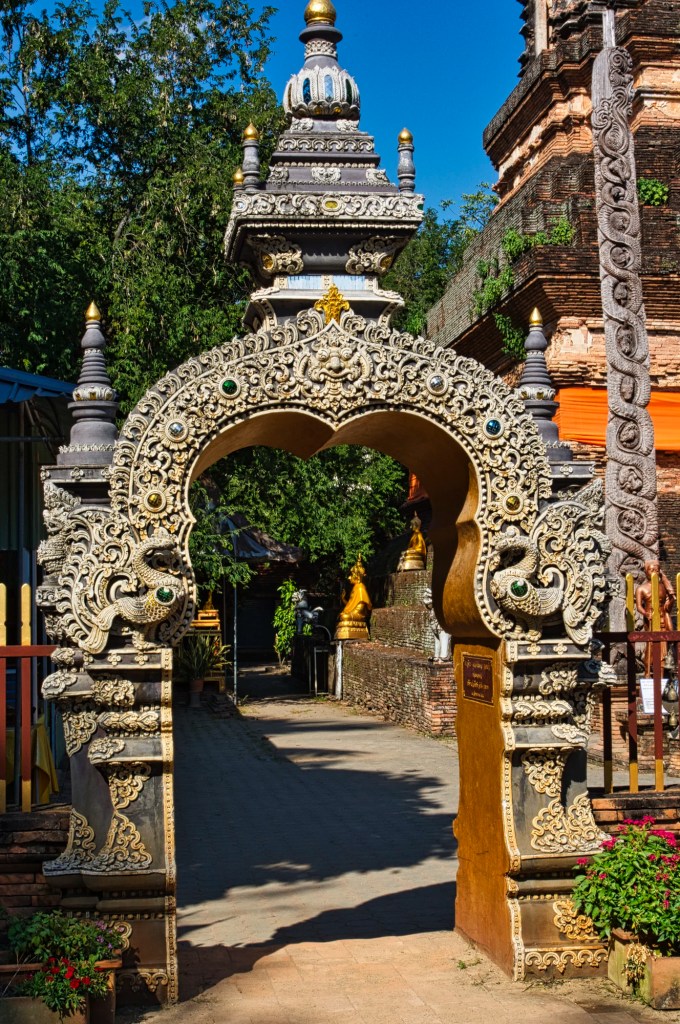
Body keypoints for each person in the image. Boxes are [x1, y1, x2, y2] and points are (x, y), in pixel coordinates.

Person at [635, 559, 676, 676]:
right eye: (651, 570)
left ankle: (662, 674)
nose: (654, 573)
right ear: (646, 572)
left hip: (663, 616)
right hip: (651, 619)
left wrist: (671, 598)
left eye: (657, 570)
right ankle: (647, 672)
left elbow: (667, 605)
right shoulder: (641, 589)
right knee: (651, 645)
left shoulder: (662, 587)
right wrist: (646, 614)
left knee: (664, 645)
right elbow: (639, 607)